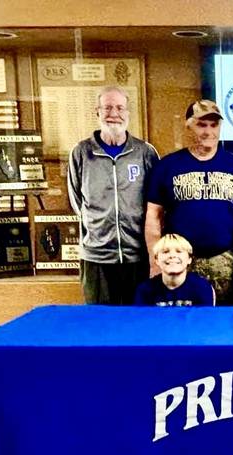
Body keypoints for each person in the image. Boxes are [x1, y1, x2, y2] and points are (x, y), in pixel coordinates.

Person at [145, 99, 233, 303]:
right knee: (182, 324)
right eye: (201, 124)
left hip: (226, 262)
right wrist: (155, 260)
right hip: (179, 263)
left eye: (214, 125)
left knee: (223, 324)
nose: (208, 131)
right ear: (188, 126)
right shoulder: (167, 167)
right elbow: (153, 217)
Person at [68, 86, 159, 305]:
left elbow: (156, 204)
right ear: (97, 112)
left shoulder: (145, 152)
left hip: (137, 257)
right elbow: (77, 202)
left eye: (120, 108)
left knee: (139, 323)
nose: (114, 114)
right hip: (96, 258)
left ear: (128, 113)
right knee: (100, 325)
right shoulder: (81, 153)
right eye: (107, 107)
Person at [134, 233, 215, 306]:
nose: (172, 255)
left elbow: (205, 321)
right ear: (156, 260)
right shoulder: (145, 290)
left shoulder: (202, 287)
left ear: (189, 259)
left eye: (179, 251)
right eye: (165, 252)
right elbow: (142, 320)